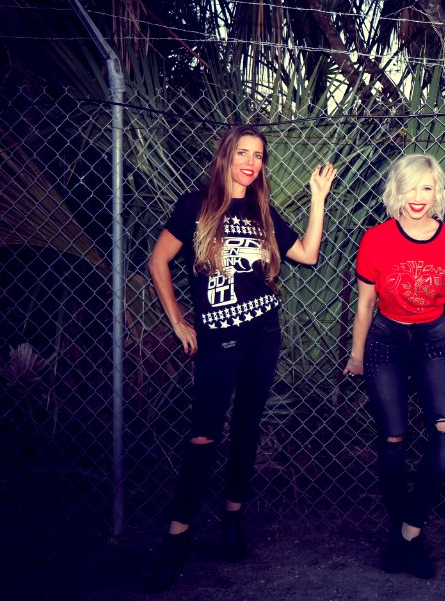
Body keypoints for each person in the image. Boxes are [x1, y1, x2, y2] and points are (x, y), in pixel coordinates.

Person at [145, 125, 336, 591]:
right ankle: (178, 537)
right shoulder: (195, 206)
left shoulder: (263, 212)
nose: (251, 162)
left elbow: (308, 255)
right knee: (205, 435)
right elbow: (158, 261)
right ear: (226, 156)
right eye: (243, 153)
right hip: (217, 339)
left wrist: (317, 197)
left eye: (258, 155)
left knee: (248, 427)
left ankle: (232, 519)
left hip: (263, 335)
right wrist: (177, 321)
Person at [343, 153, 445, 579]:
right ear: (396, 190)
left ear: (438, 193)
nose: (418, 197)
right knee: (394, 436)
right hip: (386, 341)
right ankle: (405, 537)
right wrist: (357, 354)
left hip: (433, 341)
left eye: (427, 188)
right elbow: (364, 304)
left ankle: (408, 533)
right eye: (411, 187)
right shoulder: (376, 239)